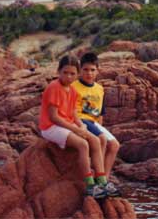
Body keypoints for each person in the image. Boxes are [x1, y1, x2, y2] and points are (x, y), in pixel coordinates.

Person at [38, 55, 118, 198]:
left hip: (68, 124)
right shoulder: (54, 87)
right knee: (83, 144)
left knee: (94, 140)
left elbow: (73, 113)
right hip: (50, 127)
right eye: (65, 73)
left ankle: (102, 180)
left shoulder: (72, 90)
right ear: (58, 71)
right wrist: (76, 129)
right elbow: (54, 117)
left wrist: (81, 126)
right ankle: (90, 185)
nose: (69, 77)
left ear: (77, 74)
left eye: (72, 74)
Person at [72, 52, 121, 195]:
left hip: (93, 121)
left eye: (92, 70)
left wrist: (100, 127)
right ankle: (100, 181)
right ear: (80, 70)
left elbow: (100, 113)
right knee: (101, 139)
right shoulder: (74, 87)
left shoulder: (99, 89)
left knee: (115, 145)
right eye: (85, 70)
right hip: (80, 119)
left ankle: (104, 179)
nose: (89, 73)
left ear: (98, 70)